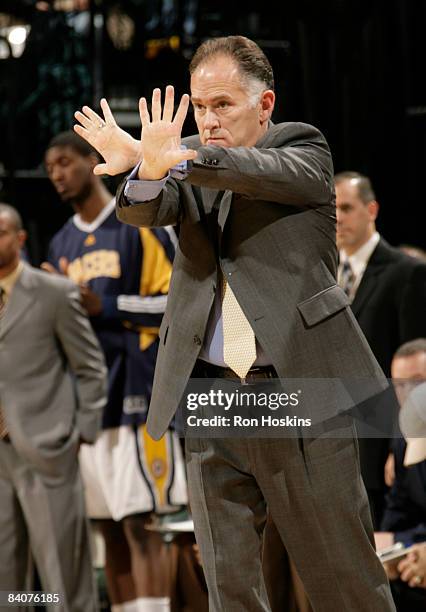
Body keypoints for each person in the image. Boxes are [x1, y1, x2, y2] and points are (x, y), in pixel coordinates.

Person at [74, 35, 395, 611]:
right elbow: (146, 207)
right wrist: (144, 168)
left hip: (297, 388)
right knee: (228, 584)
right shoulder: (187, 159)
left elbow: (254, 172)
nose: (208, 119)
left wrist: (179, 157)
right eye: (200, 106)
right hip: (209, 391)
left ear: (265, 104)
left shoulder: (301, 148)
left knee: (342, 579)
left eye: (223, 105)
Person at [43, 132, 187, 612]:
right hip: (88, 403)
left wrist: (101, 304)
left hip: (138, 394)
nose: (57, 174)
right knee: (106, 525)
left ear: (92, 161)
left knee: (140, 523)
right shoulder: (61, 240)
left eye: (65, 162)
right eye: (49, 168)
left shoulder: (137, 222)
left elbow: (176, 306)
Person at [0, 203, 107, 611]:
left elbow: (91, 367)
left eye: (1, 232)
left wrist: (81, 431)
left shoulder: (53, 292)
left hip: (46, 446)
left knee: (63, 571)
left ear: (20, 238)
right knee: (8, 577)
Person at [335, 171, 426, 527]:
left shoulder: (407, 273)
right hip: (334, 441)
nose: (338, 217)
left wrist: (399, 445)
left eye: (347, 207)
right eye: (332, 208)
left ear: (371, 209)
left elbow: (415, 371)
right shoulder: (322, 273)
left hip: (380, 445)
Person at [374, 339, 426, 611]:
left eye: (417, 382)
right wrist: (394, 549)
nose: (408, 394)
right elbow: (398, 508)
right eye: (400, 386)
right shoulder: (404, 436)